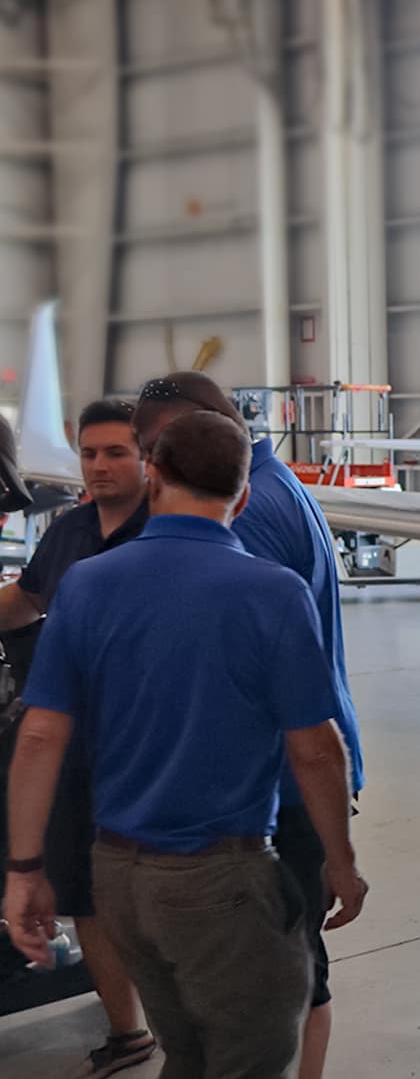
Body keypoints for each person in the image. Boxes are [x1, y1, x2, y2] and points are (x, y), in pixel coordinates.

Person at [3, 411, 368, 1079]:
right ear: (246, 495)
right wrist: (339, 861)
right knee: (251, 1056)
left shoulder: (87, 582)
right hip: (220, 879)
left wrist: (25, 869)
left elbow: (41, 734)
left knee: (188, 1051)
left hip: (118, 879)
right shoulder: (271, 592)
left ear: (155, 474)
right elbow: (315, 749)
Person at [131, 373, 364, 1079]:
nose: (148, 466)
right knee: (291, 972)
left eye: (153, 448)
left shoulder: (244, 520)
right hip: (294, 773)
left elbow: (232, 667)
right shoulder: (274, 482)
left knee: (280, 984)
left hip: (275, 790)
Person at [0, 400, 156, 1079]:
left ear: (149, 457)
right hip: (72, 746)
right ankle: (129, 1031)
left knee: (157, 889)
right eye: (89, 453)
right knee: (85, 891)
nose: (98, 466)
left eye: (115, 452)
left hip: (144, 743)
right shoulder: (69, 531)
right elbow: (29, 599)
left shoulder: (168, 532)